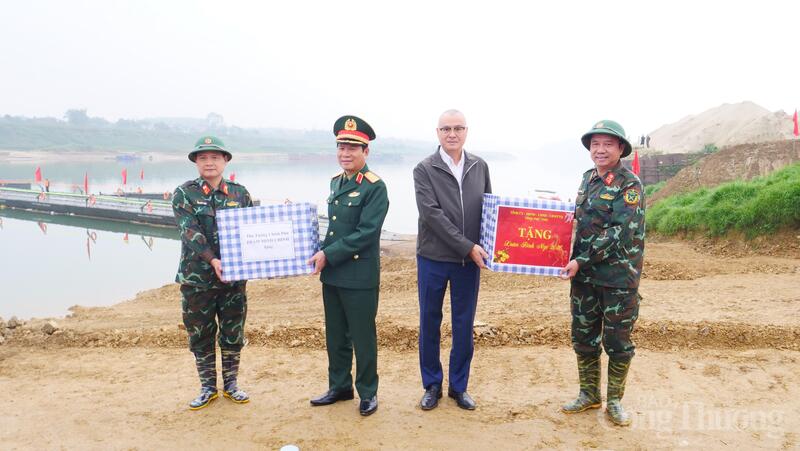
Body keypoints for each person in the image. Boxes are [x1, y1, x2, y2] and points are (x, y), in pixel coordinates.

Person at [560, 120, 645, 426]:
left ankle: (615, 401)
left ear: (620, 148)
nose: (600, 149)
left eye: (608, 144)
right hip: (584, 278)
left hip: (618, 279)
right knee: (583, 337)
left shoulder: (629, 185)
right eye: (595, 144)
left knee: (618, 343)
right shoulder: (588, 179)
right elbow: (585, 218)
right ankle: (589, 394)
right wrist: (558, 213)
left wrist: (580, 260)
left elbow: (619, 233)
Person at [307, 115, 389, 417]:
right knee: (336, 335)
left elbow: (367, 233)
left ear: (366, 151)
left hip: (359, 274)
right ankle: (340, 386)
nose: (345, 153)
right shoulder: (336, 181)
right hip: (333, 274)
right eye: (341, 147)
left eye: (353, 148)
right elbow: (334, 228)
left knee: (362, 337)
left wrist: (328, 254)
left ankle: (368, 392)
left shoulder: (375, 187)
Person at [413, 109, 492, 411]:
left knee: (463, 324)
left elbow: (489, 209)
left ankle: (459, 387)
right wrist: (467, 246)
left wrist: (491, 246)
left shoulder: (479, 166)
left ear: (466, 131)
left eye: (458, 128)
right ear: (438, 133)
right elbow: (431, 215)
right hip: (433, 258)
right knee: (429, 322)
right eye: (446, 129)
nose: (452, 134)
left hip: (467, 264)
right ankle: (432, 384)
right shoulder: (424, 169)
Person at [172, 136, 253, 410]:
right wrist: (213, 260)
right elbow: (190, 232)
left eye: (215, 157)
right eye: (203, 158)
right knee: (200, 334)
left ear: (225, 161)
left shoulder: (240, 194)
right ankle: (208, 388)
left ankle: (231, 385)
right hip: (198, 280)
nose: (209, 162)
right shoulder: (184, 194)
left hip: (233, 281)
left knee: (233, 333)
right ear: (196, 162)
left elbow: (252, 232)